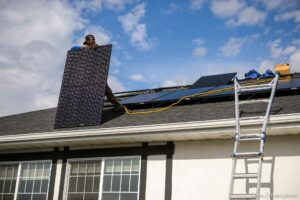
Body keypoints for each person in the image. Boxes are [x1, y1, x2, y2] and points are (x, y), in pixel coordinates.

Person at [72, 34, 125, 112]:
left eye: (94, 39)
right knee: (86, 93)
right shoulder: (82, 49)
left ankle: (118, 107)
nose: (93, 40)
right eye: (91, 39)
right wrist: (81, 47)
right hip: (86, 76)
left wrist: (97, 48)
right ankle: (81, 110)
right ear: (87, 41)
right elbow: (72, 49)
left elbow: (102, 57)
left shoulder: (97, 49)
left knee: (107, 91)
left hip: (97, 75)